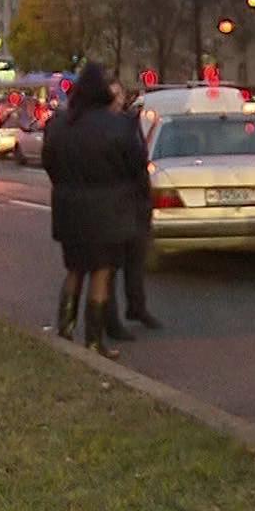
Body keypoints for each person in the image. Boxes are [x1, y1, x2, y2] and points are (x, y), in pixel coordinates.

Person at [43, 62, 148, 358]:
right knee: (102, 273)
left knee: (74, 269)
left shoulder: (59, 124)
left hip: (68, 208)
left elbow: (49, 163)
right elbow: (136, 166)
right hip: (109, 209)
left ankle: (65, 327)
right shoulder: (119, 124)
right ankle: (93, 340)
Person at [104, 77, 161, 340]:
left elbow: (140, 160)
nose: (117, 101)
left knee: (136, 259)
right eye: (112, 96)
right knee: (110, 265)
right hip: (114, 202)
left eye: (119, 96)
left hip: (136, 199)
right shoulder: (103, 127)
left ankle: (137, 307)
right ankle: (110, 318)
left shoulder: (130, 122)